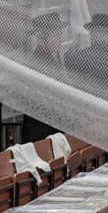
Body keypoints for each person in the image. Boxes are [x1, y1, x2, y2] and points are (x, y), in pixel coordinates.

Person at [21, 13, 69, 143]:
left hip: (52, 127)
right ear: (42, 38)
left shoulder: (54, 58)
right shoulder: (39, 62)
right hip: (41, 130)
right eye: (55, 36)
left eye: (60, 35)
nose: (60, 40)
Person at [65, 13, 108, 107]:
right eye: (97, 31)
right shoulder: (80, 55)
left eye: (104, 32)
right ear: (92, 33)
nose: (100, 35)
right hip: (84, 103)